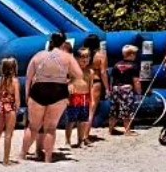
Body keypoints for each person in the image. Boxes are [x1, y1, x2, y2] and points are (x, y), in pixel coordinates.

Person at [22, 33, 83, 163]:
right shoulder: (67, 57)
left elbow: (28, 78)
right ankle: (48, 158)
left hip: (39, 89)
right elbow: (79, 75)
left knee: (33, 127)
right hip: (58, 89)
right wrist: (68, 80)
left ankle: (22, 154)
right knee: (51, 128)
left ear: (50, 41)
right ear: (63, 43)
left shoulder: (39, 55)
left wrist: (27, 96)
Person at [0, 57, 21, 165]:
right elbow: (17, 99)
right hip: (10, 108)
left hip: (0, 107)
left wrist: (2, 100)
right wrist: (17, 108)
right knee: (8, 134)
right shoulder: (15, 81)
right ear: (13, 69)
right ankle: (6, 160)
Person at [63, 46, 93, 148]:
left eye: (87, 57)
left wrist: (91, 100)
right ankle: (67, 141)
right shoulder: (72, 70)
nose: (85, 59)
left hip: (85, 97)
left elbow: (90, 86)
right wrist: (69, 85)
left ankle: (80, 141)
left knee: (83, 120)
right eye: (82, 57)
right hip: (74, 97)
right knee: (71, 120)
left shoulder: (90, 72)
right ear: (76, 58)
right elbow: (65, 81)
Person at [109, 44, 142, 136]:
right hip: (126, 89)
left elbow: (112, 79)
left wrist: (111, 90)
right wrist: (139, 93)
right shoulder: (134, 66)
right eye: (135, 54)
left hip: (116, 88)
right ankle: (127, 130)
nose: (135, 56)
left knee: (114, 109)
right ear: (131, 54)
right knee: (127, 110)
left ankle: (110, 129)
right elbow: (136, 81)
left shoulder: (116, 64)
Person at [82, 33, 109, 139]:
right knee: (91, 109)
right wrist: (107, 88)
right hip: (95, 82)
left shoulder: (82, 53)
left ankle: (80, 134)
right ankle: (85, 135)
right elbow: (103, 72)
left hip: (83, 82)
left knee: (83, 108)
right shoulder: (101, 55)